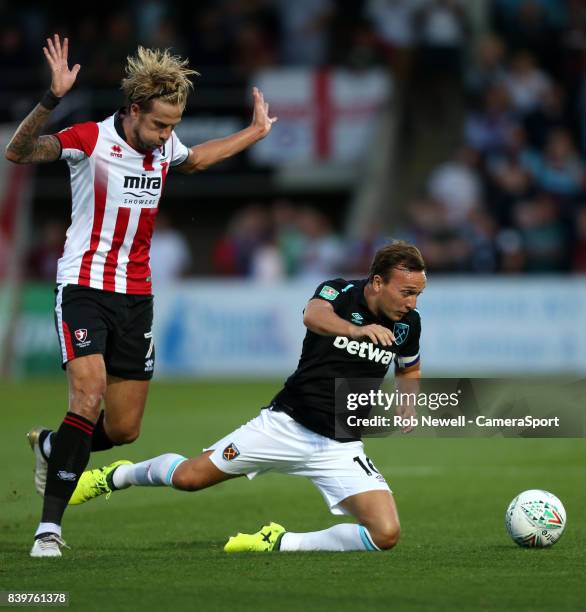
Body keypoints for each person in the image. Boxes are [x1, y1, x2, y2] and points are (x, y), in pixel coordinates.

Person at [4, 34, 277, 558]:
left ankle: (50, 446)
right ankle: (48, 531)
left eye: (172, 125)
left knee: (124, 430)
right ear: (133, 110)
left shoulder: (165, 145)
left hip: (137, 296)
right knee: (88, 395)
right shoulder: (89, 138)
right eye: (158, 124)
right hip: (84, 285)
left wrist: (255, 132)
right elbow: (18, 153)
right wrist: (52, 99)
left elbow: (194, 160)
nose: (165, 136)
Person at [70, 242, 425, 553]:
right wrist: (357, 331)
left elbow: (408, 369)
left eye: (417, 295)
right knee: (188, 478)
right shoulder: (339, 292)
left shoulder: (409, 325)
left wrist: (408, 404)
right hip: (285, 425)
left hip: (340, 446)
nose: (411, 302)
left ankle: (280, 542)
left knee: (385, 533)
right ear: (378, 282)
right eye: (406, 292)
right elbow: (313, 316)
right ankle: (120, 476)